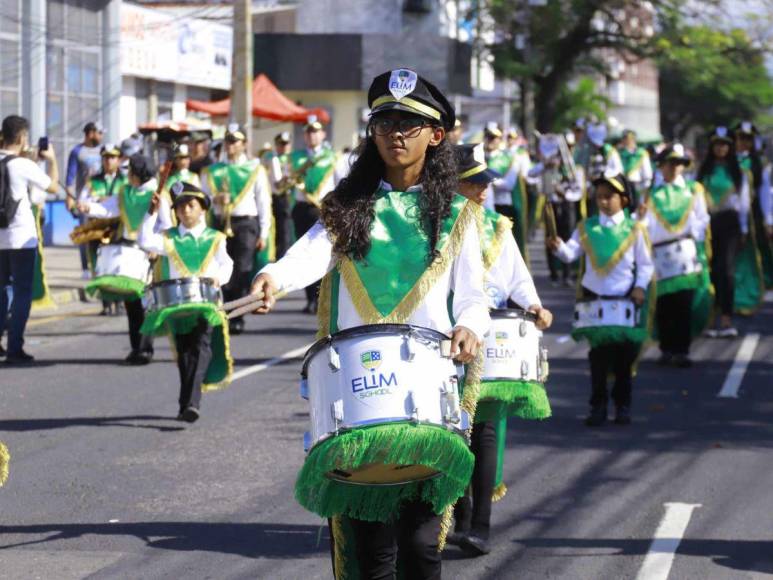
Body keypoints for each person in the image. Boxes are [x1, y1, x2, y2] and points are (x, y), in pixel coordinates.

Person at [252, 69, 490, 579]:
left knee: (423, 547)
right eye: (385, 122)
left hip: (427, 402)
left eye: (409, 123)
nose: (395, 133)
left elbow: (473, 297)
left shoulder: (458, 215)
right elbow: (309, 254)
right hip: (360, 398)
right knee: (370, 552)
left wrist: (470, 326)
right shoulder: (347, 206)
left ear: (436, 134)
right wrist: (273, 277)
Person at [449, 143, 552, 556]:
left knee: (485, 428)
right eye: (474, 183)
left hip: (488, 333)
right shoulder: (436, 222)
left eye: (484, 182)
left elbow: (517, 276)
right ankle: (459, 513)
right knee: (452, 428)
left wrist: (534, 305)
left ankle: (480, 525)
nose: (483, 190)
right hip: (444, 336)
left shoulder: (497, 227)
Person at [548, 173, 654, 426]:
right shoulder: (587, 227)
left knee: (623, 361)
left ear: (624, 200)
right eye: (599, 197)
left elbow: (646, 265)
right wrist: (559, 247)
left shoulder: (635, 229)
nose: (603, 201)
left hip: (624, 302)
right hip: (595, 303)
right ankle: (597, 407)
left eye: (609, 197)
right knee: (598, 359)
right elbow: (570, 254)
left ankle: (622, 406)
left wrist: (640, 287)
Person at [138, 181, 233, 423]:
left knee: (201, 347)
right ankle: (186, 403)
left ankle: (191, 403)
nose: (185, 211)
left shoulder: (215, 237)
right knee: (184, 353)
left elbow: (227, 264)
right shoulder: (168, 238)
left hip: (206, 302)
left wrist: (218, 278)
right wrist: (151, 213)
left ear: (202, 208)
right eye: (180, 208)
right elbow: (144, 241)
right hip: (177, 305)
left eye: (191, 205)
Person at [79, 154, 172, 364]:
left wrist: (156, 248)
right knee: (131, 303)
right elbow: (108, 208)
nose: (127, 175)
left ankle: (145, 349)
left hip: (148, 254)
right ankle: (135, 347)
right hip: (129, 253)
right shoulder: (125, 192)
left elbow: (166, 226)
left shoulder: (158, 195)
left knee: (146, 303)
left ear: (138, 174)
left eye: (130, 172)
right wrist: (89, 207)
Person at [638, 143, 709, 367]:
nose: (675, 167)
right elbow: (643, 225)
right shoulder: (651, 194)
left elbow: (702, 218)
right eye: (671, 163)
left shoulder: (693, 189)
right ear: (661, 166)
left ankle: (682, 350)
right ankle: (666, 348)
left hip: (684, 251)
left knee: (683, 303)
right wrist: (639, 219)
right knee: (664, 304)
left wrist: (693, 239)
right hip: (659, 254)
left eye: (679, 163)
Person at [201, 124, 272, 335]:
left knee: (242, 269)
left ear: (243, 144)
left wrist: (264, 232)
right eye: (228, 140)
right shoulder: (213, 171)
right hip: (221, 223)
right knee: (223, 269)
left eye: (235, 141)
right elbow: (202, 200)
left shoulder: (255, 169)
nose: (230, 145)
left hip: (246, 224)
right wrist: (215, 199)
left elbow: (263, 202)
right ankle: (224, 311)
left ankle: (238, 315)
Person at [0, 115, 60, 364]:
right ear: (23, 138)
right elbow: (53, 187)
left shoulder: (16, 162)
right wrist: (53, 160)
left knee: (3, 291)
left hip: (0, 239)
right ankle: (15, 347)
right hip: (22, 237)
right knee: (23, 293)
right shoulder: (23, 166)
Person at [286, 116, 348, 314]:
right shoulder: (296, 158)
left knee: (323, 251)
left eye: (316, 131)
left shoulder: (333, 157)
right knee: (303, 251)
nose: (312, 135)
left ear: (322, 134)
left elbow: (342, 184)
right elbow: (284, 184)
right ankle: (310, 298)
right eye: (308, 132)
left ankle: (324, 296)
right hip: (302, 208)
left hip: (323, 209)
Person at [696, 126, 750, 336]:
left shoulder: (738, 172)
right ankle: (710, 318)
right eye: (717, 144)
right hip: (708, 224)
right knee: (709, 270)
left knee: (726, 270)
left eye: (725, 145)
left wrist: (744, 229)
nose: (721, 148)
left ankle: (726, 319)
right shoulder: (703, 171)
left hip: (730, 222)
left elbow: (743, 203)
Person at [529, 133, 585, 285]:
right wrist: (544, 165)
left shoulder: (572, 166)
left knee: (567, 237)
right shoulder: (547, 165)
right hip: (551, 205)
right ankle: (553, 274)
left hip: (566, 205)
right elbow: (530, 174)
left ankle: (567, 274)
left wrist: (564, 193)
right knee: (551, 238)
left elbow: (578, 191)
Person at [79, 143, 127, 315]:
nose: (109, 161)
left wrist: (101, 199)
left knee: (118, 265)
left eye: (112, 157)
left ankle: (120, 300)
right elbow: (83, 201)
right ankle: (106, 302)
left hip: (118, 228)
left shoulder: (126, 180)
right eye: (106, 157)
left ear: (119, 159)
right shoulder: (92, 181)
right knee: (99, 265)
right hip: (97, 229)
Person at [734, 121, 772, 294]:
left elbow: (764, 191)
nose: (743, 142)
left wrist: (768, 219)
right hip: (730, 214)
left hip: (753, 213)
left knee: (756, 247)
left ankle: (755, 286)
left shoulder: (757, 163)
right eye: (740, 138)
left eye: (748, 139)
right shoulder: (727, 160)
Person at [484, 123, 530, 257]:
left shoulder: (508, 158)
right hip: (484, 206)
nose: (491, 140)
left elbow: (509, 184)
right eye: (488, 136)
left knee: (504, 245)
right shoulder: (478, 156)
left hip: (503, 205)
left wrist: (488, 178)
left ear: (499, 139)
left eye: (494, 137)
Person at [66, 121, 104, 279]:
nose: (101, 136)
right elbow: (70, 177)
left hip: (102, 199)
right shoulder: (77, 151)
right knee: (85, 234)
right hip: (84, 200)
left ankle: (100, 266)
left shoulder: (104, 151)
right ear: (90, 133)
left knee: (102, 235)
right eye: (99, 132)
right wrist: (69, 197)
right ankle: (85, 268)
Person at [267, 131, 294, 259]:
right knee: (283, 234)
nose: (284, 147)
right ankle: (281, 259)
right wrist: (290, 178)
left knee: (289, 232)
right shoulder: (274, 159)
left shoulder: (291, 158)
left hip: (291, 197)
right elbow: (278, 184)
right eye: (281, 144)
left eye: (286, 144)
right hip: (280, 199)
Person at [618, 129, 653, 209]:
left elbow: (647, 175)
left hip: (638, 187)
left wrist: (644, 192)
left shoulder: (641, 153)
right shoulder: (620, 154)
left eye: (628, 139)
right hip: (623, 186)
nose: (626, 141)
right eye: (624, 139)